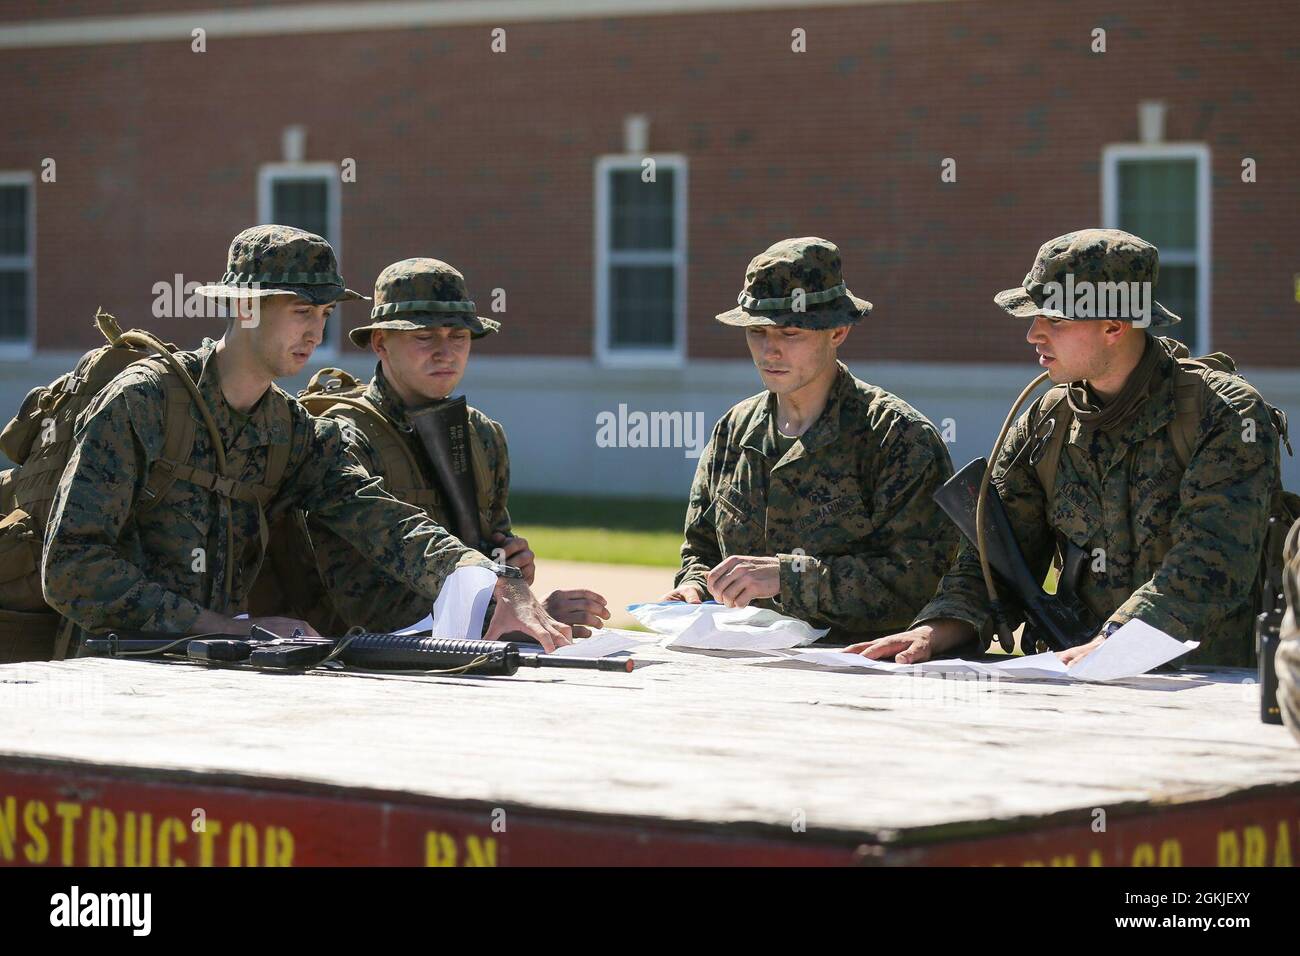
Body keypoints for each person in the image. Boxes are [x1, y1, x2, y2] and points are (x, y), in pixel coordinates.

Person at [42, 225, 572, 651]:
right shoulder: (144, 401)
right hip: (114, 671)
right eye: (301, 312)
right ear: (246, 308)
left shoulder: (290, 430)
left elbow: (375, 513)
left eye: (324, 314)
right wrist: (222, 627)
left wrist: (489, 577)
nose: (316, 334)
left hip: (211, 672)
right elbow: (70, 565)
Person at [850, 228, 1283, 667]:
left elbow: (1213, 562)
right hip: (1072, 686)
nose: (1034, 335)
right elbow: (994, 558)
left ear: (1114, 325)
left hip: (1209, 685)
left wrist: (1118, 641)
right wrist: (939, 628)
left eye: (1054, 320)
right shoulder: (1048, 420)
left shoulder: (1225, 413)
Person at [255, 256, 609, 635]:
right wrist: (511, 612)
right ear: (380, 343)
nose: (446, 352)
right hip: (349, 661)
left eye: (458, 336)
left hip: (460, 655)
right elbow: (364, 602)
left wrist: (513, 575)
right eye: (424, 337)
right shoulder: (342, 435)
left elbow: (496, 550)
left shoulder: (481, 435)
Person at [662, 237, 957, 643]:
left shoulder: (898, 438)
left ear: (837, 331)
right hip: (744, 669)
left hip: (860, 672)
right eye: (757, 331)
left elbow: (920, 583)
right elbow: (702, 550)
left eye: (791, 332)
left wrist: (790, 578)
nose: (770, 350)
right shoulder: (734, 431)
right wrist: (693, 590)